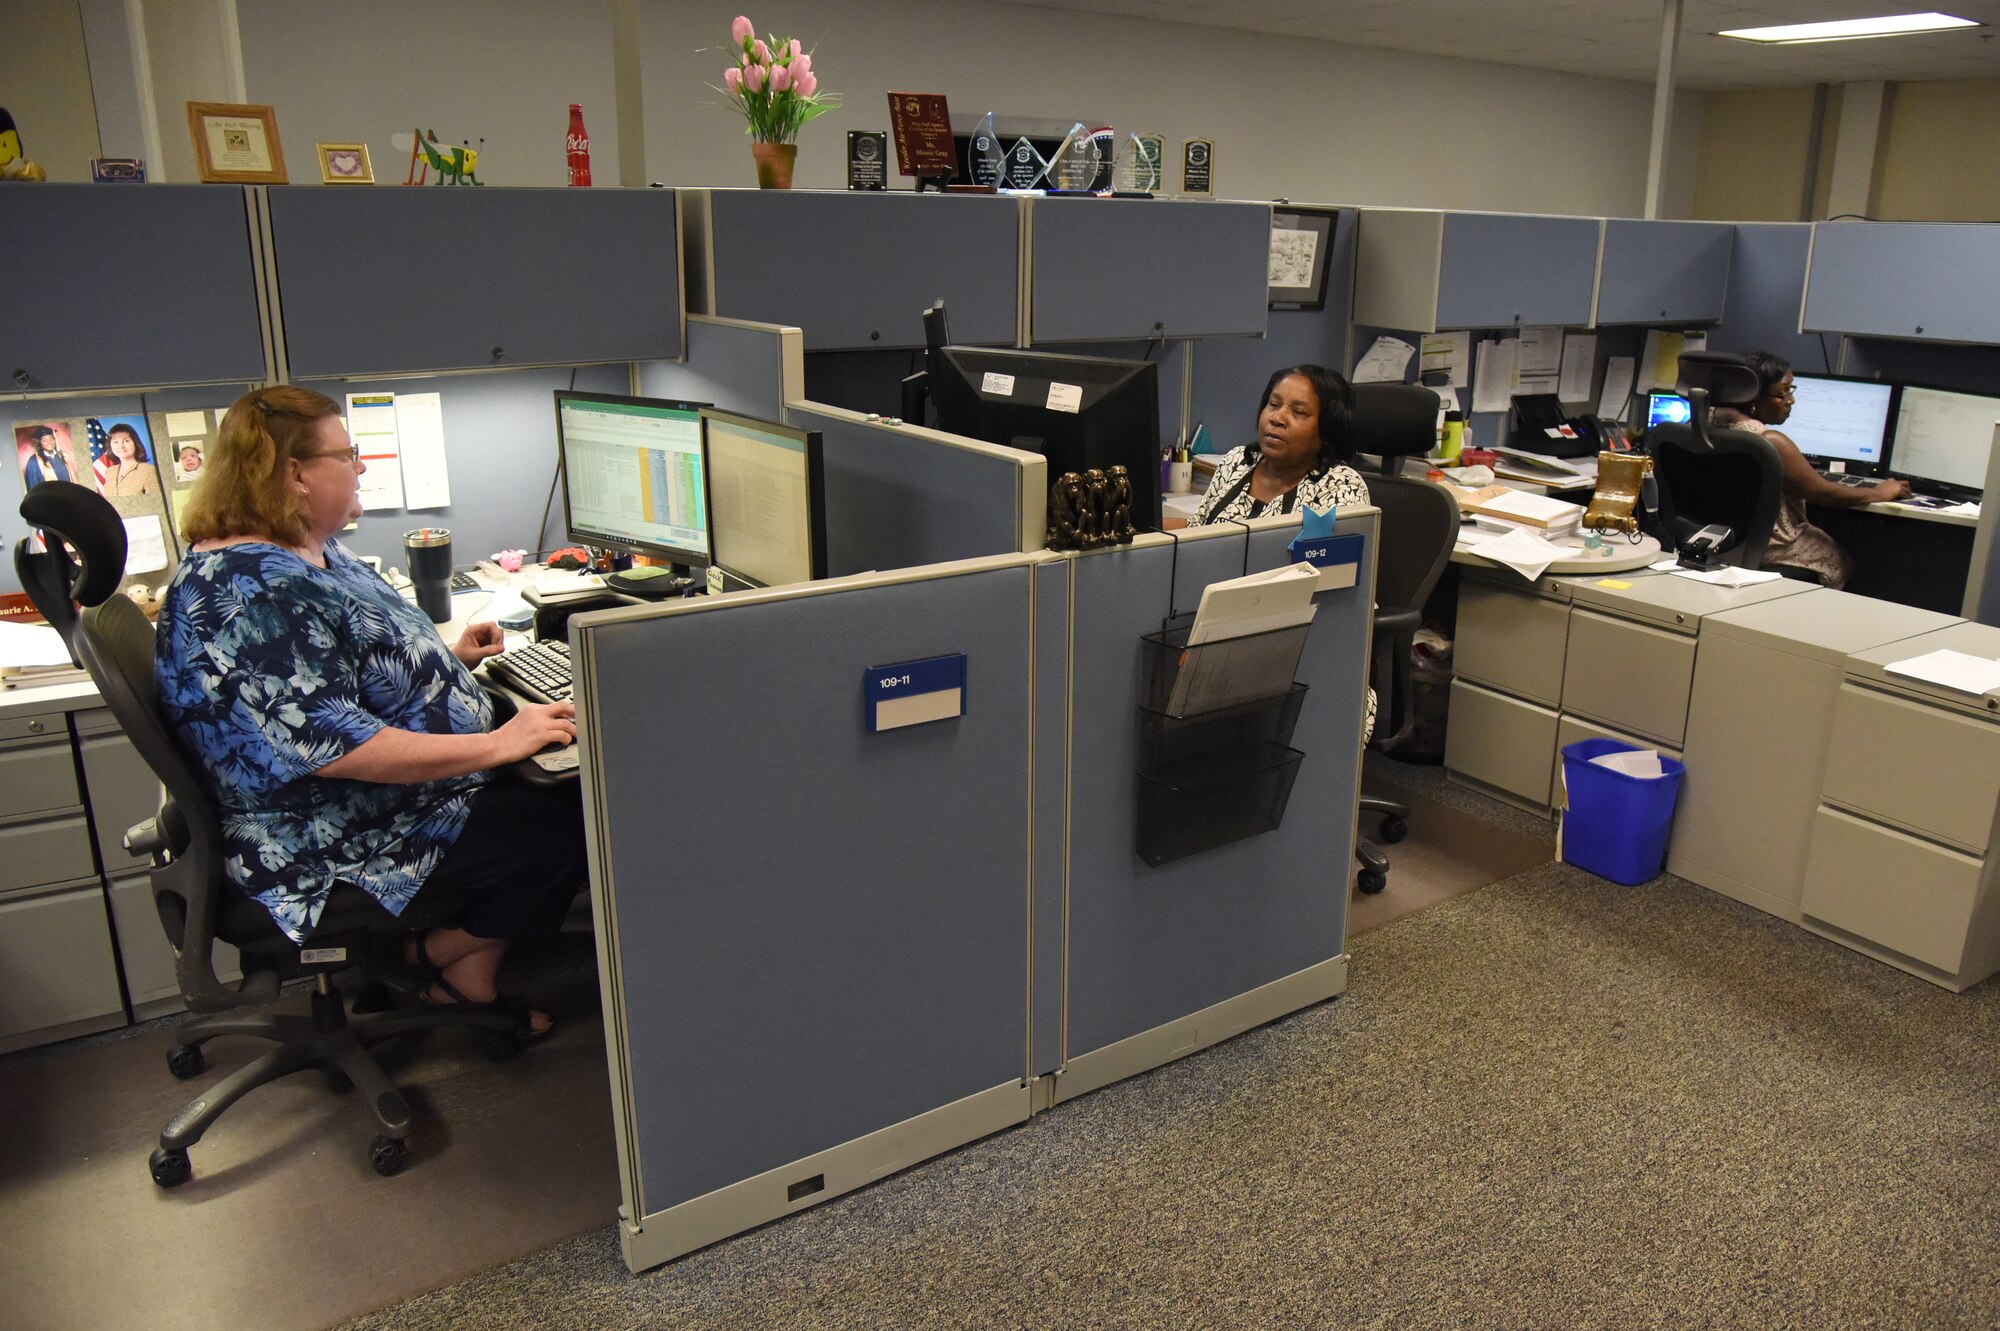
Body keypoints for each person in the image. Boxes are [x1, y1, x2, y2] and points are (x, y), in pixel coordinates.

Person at [155, 386, 586, 1036]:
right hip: (329, 831)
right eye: (348, 453)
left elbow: (338, 666)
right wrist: (499, 743)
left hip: (372, 800)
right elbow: (338, 746)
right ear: (295, 474)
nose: (361, 466)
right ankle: (427, 958)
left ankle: (462, 969)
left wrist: (444, 662)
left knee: (555, 798)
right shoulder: (254, 594)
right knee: (567, 824)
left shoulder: (297, 547)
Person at [1710, 351, 1909, 589]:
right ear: (1752, 396)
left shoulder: (1699, 424)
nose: (1790, 400)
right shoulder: (1767, 441)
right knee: (1842, 558)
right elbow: (1825, 494)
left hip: (1713, 543)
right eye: (1782, 393)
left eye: (1791, 391)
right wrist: (1880, 493)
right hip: (1770, 548)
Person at [1190, 364, 1370, 526]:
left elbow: (1329, 560)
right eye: (1274, 404)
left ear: (1327, 429)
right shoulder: (1238, 461)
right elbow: (1198, 526)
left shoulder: (1340, 486)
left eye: (1298, 411)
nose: (1276, 418)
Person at [99, 423, 157, 496]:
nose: (121, 446)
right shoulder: (110, 471)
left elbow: (156, 503)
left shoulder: (148, 470)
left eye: (126, 441)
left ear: (135, 443)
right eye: (115, 442)